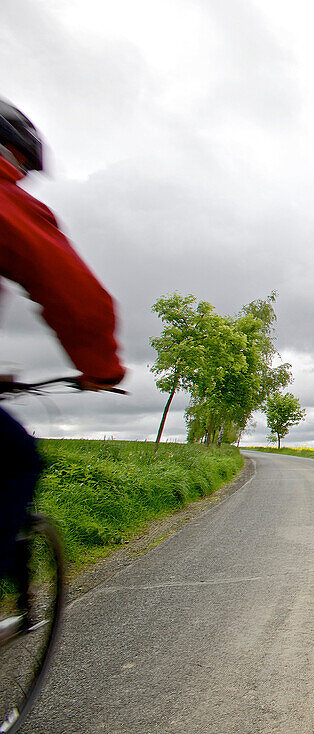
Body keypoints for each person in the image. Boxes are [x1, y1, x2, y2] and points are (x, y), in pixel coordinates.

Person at [0, 98, 125, 576]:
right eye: (23, 164)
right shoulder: (9, 201)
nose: (24, 176)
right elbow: (76, 297)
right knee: (15, 460)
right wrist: (101, 369)